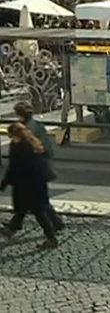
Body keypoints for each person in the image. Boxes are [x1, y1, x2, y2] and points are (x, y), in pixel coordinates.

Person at [0, 123, 59, 250]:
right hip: (37, 184)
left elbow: (14, 167)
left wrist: (4, 183)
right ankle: (11, 229)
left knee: (38, 212)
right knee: (23, 208)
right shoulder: (31, 143)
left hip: (27, 186)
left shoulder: (19, 147)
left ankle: (51, 238)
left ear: (13, 135)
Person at [13, 101, 64, 231]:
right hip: (37, 170)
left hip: (34, 172)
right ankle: (14, 225)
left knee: (38, 203)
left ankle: (53, 230)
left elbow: (33, 151)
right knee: (36, 201)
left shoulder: (26, 129)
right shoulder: (35, 125)